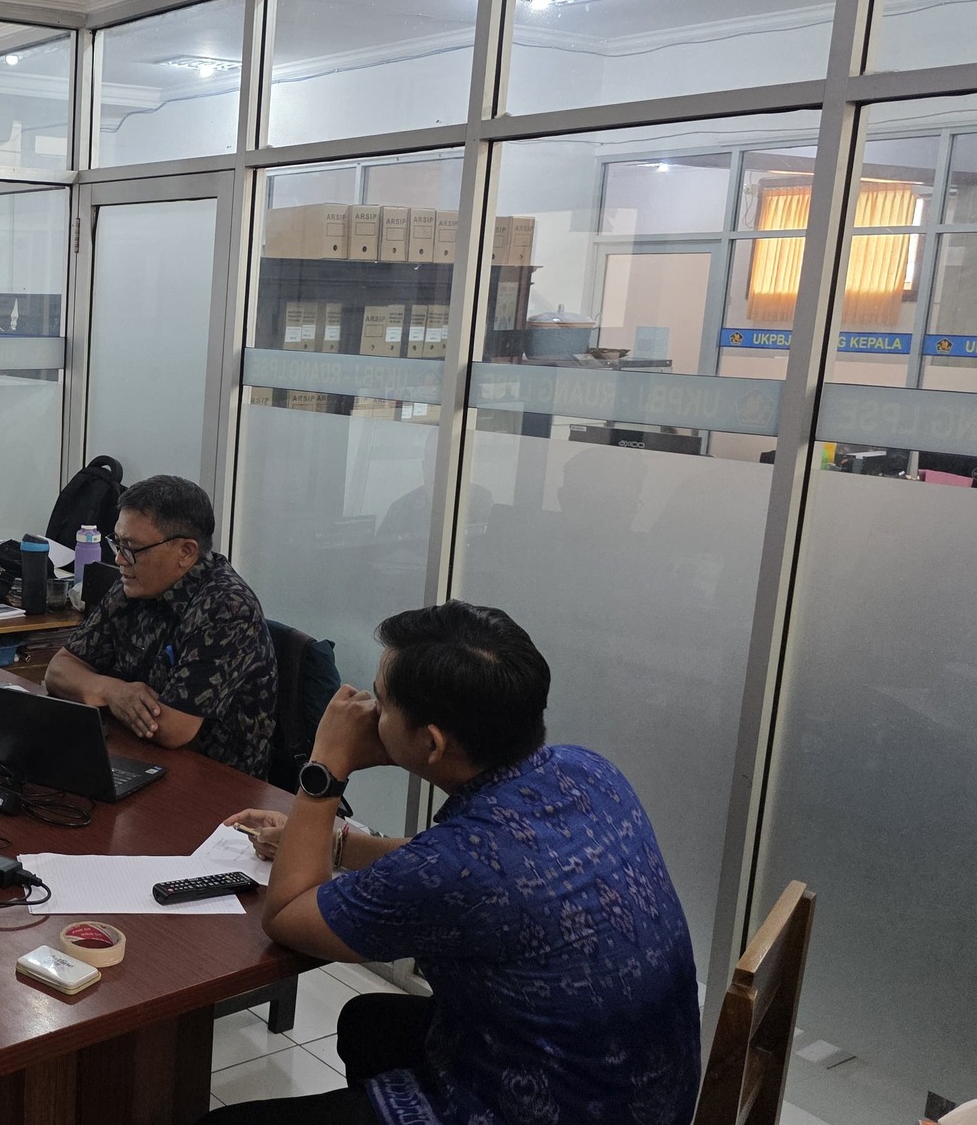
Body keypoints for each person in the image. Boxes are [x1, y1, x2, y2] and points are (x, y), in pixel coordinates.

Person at [213, 602, 701, 1125]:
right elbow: (462, 867)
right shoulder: (586, 770)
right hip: (645, 1088)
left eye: (381, 701)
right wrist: (332, 844)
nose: (367, 712)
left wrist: (325, 767)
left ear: (432, 742)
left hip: (557, 1107)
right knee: (369, 1022)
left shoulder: (460, 866)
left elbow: (288, 913)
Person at [43, 475, 276, 778]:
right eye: (118, 542)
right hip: (136, 753)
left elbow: (173, 727)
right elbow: (58, 671)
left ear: (186, 552)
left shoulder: (227, 609)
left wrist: (93, 690)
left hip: (216, 782)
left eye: (132, 548)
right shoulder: (133, 584)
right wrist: (112, 691)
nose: (119, 558)